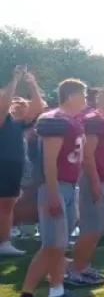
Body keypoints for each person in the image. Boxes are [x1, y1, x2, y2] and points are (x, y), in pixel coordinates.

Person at [9, 78, 93, 297]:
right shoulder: (55, 119)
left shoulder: (72, 120)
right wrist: (54, 192)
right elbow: (49, 161)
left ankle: (57, 294)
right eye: (83, 96)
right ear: (71, 96)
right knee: (51, 246)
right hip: (55, 188)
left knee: (59, 245)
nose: (86, 101)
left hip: (68, 187)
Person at [67, 86, 104, 287]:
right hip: (93, 178)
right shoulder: (94, 120)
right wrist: (94, 182)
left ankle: (83, 266)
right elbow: (88, 155)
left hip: (102, 177)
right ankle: (75, 270)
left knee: (99, 228)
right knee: (91, 228)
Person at [0, 67, 45, 257]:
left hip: (13, 167)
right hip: (3, 164)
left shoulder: (22, 123)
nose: (18, 101)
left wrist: (32, 83)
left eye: (21, 100)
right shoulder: (4, 117)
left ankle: (4, 242)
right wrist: (15, 80)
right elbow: (3, 104)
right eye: (15, 100)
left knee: (7, 204)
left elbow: (39, 106)